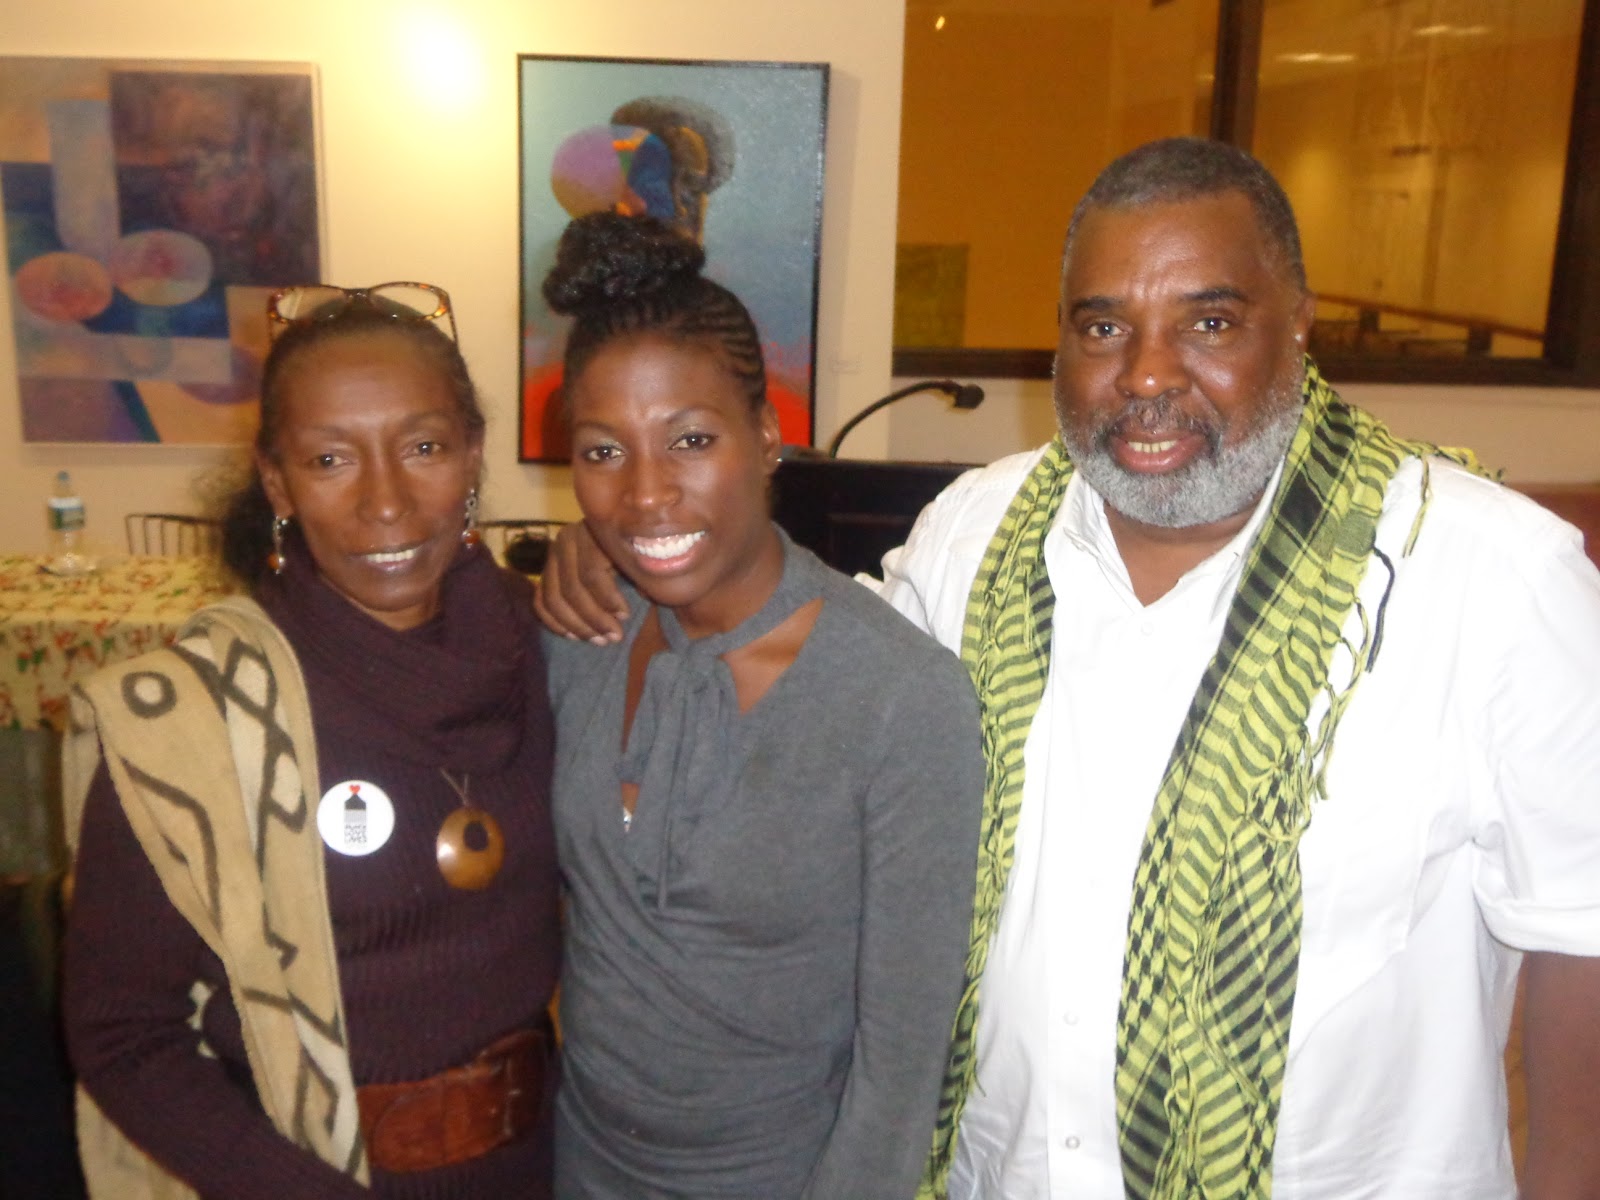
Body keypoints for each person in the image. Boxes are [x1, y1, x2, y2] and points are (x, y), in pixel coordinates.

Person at [534, 138, 1600, 1200]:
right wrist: (630, 551)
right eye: (1102, 327)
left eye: (1209, 323)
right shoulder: (973, 535)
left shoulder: (1494, 578)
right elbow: (812, 659)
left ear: (1299, 322)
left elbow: (1580, 939)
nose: (1146, 374)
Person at [61, 285, 562, 1200]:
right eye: (331, 459)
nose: (386, 501)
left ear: (473, 453)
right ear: (277, 482)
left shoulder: (552, 650)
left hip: (549, 1166)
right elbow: (123, 1035)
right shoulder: (192, 719)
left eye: (423, 447)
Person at [535, 211, 983, 1198]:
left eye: (690, 440)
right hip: (579, 1162)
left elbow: (903, 1061)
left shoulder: (898, 700)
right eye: (603, 453)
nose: (645, 495)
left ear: (769, 436)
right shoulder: (579, 636)